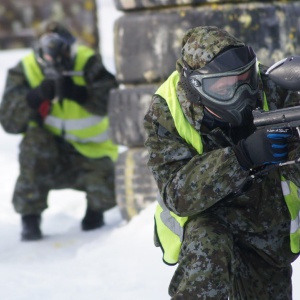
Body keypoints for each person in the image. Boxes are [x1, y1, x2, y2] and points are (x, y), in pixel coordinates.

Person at [144, 26, 300, 299]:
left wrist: (292, 152)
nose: (241, 92)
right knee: (207, 247)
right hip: (209, 220)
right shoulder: (167, 109)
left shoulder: (274, 86)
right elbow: (177, 194)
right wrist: (242, 157)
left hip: (266, 221)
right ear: (197, 87)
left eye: (245, 79)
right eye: (225, 86)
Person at [0, 21, 118, 241]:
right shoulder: (25, 69)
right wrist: (34, 98)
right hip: (48, 155)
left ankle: (94, 217)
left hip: (90, 153)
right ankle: (30, 219)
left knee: (106, 187)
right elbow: (9, 123)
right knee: (33, 143)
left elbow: (113, 103)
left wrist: (78, 93)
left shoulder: (87, 62)